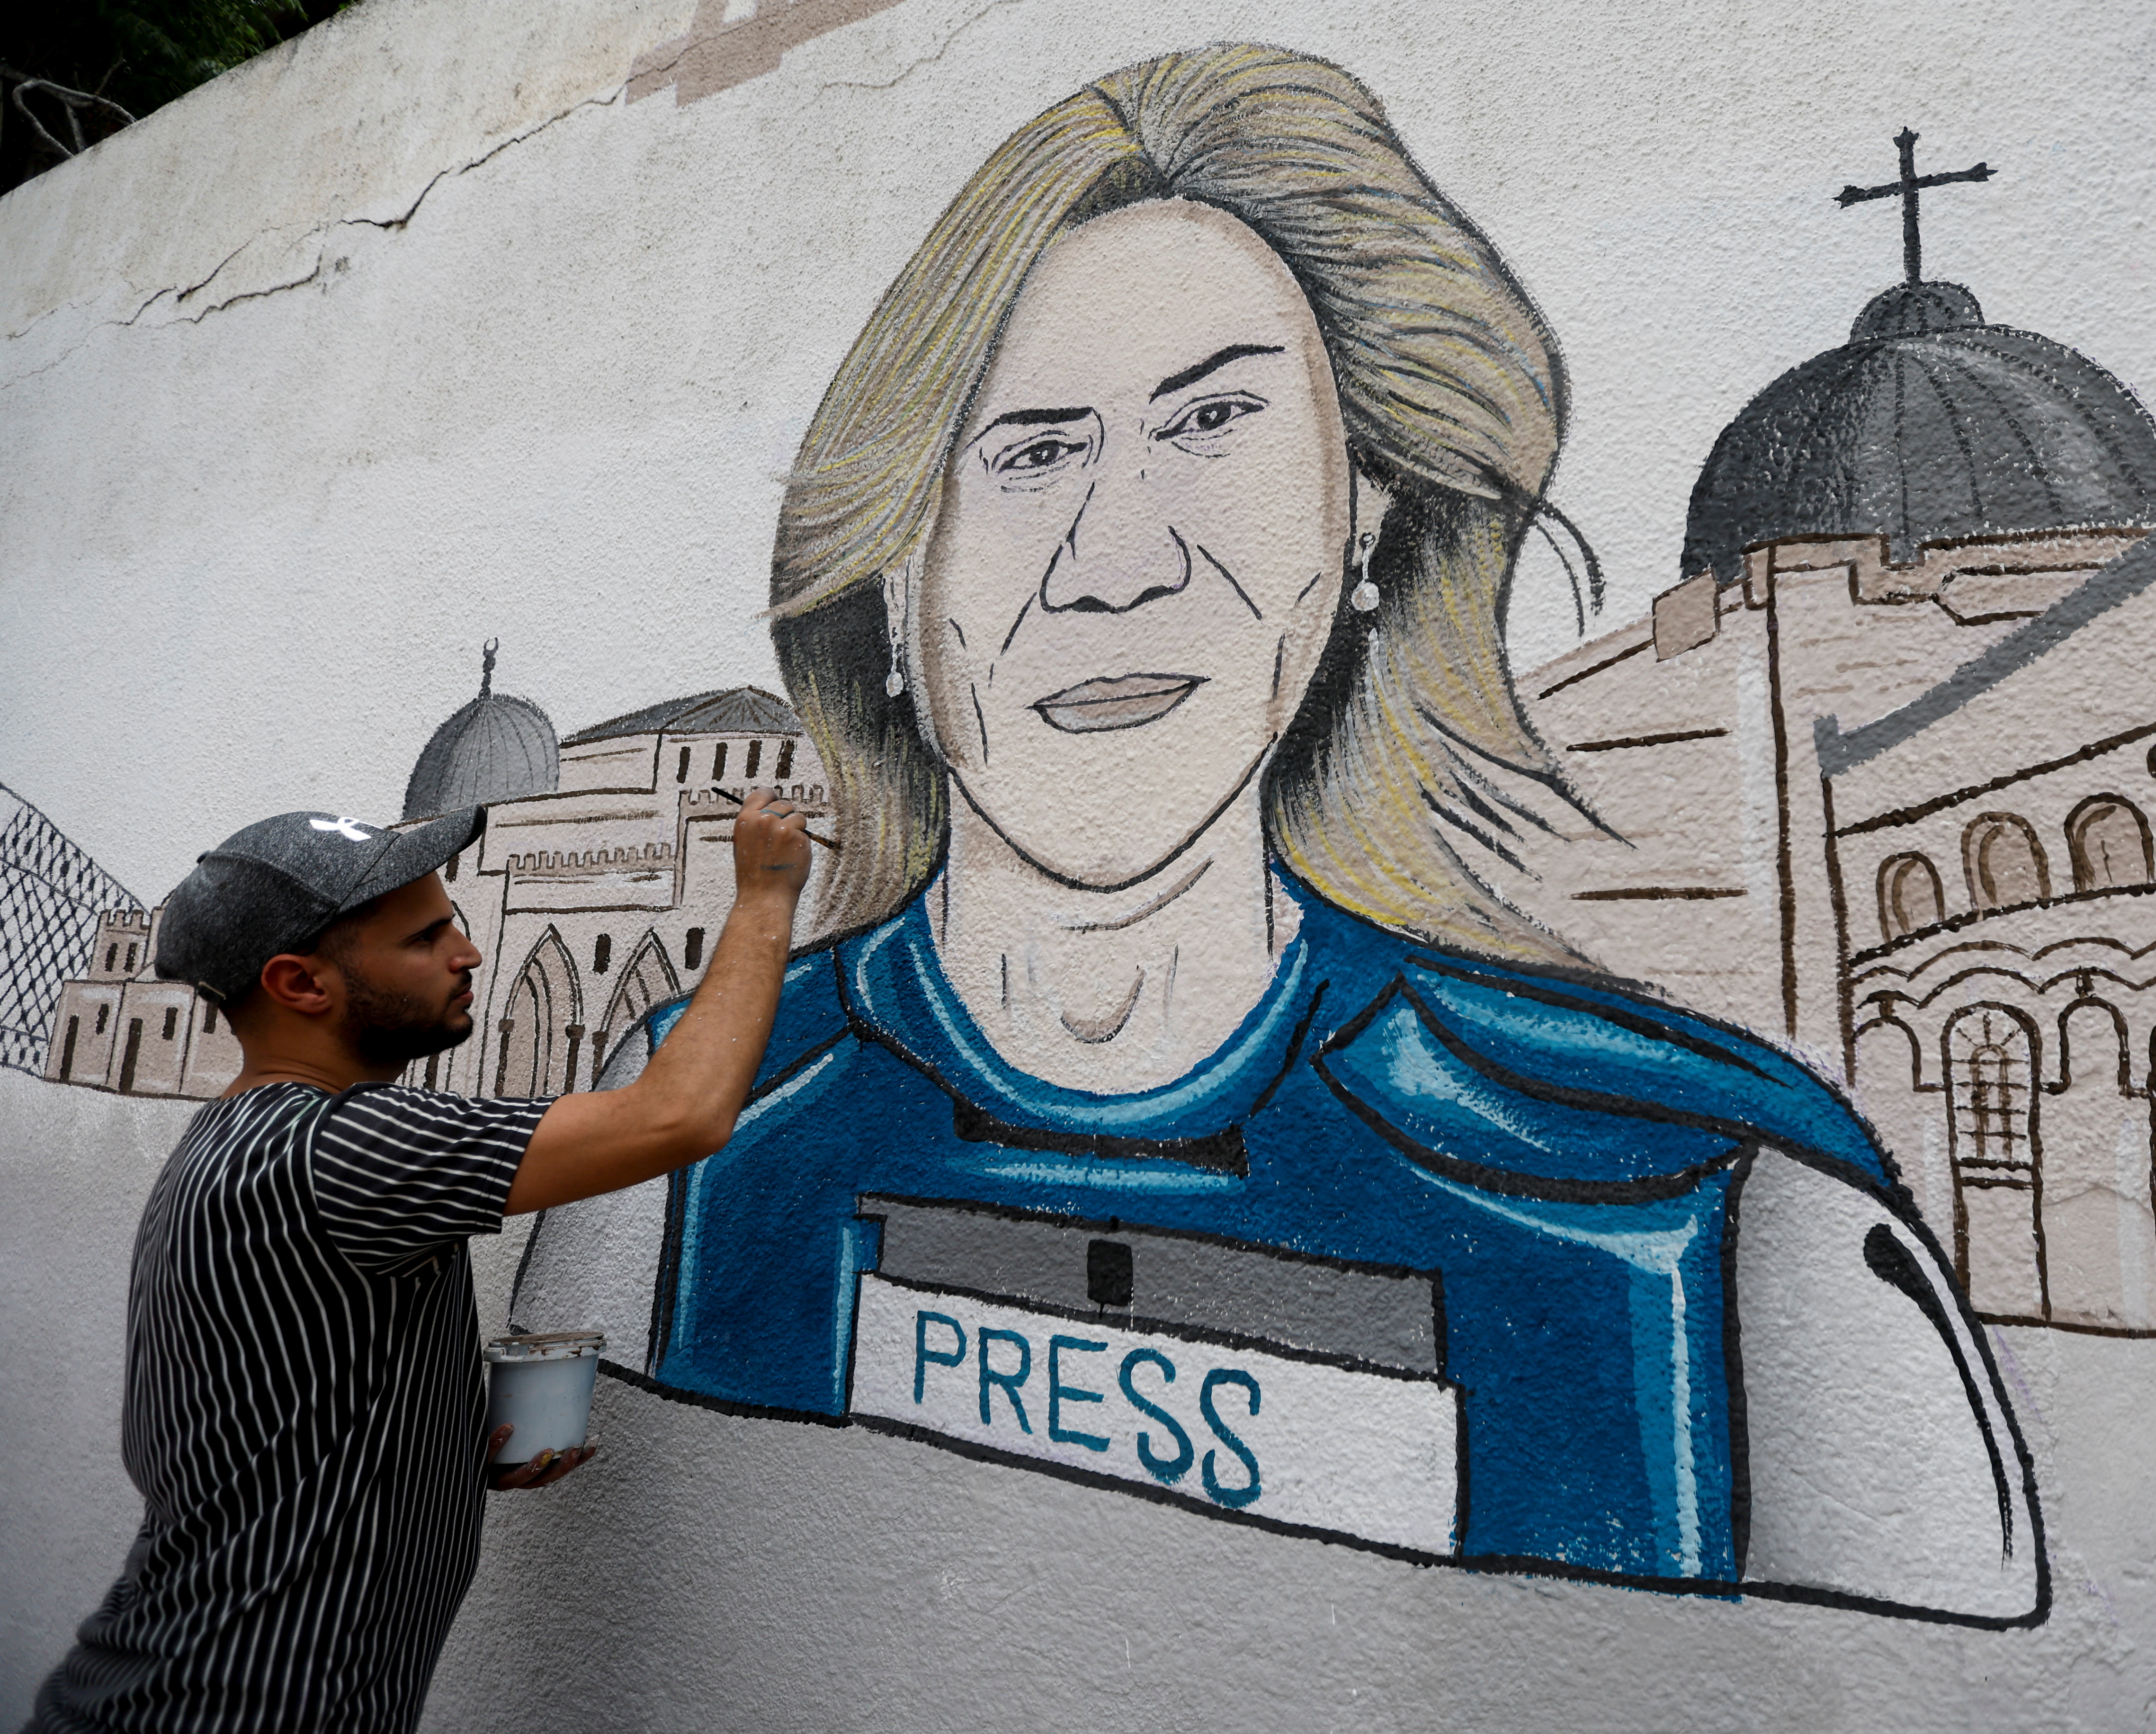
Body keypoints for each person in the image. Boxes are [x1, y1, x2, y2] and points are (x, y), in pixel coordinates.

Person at [520, 43, 2047, 1623]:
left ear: (1363, 516)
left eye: (1215, 424)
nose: (1116, 564)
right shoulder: (676, 1148)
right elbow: (536, 1546)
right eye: (1032, 451)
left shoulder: (1730, 1213)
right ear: (895, 573)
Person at [26, 791, 811, 1733]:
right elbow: (678, 1116)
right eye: (425, 938)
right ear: (301, 984)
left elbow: (248, 1428)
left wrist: (433, 1455)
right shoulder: (341, 1148)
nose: (469, 953)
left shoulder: (232, 1145)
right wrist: (765, 894)